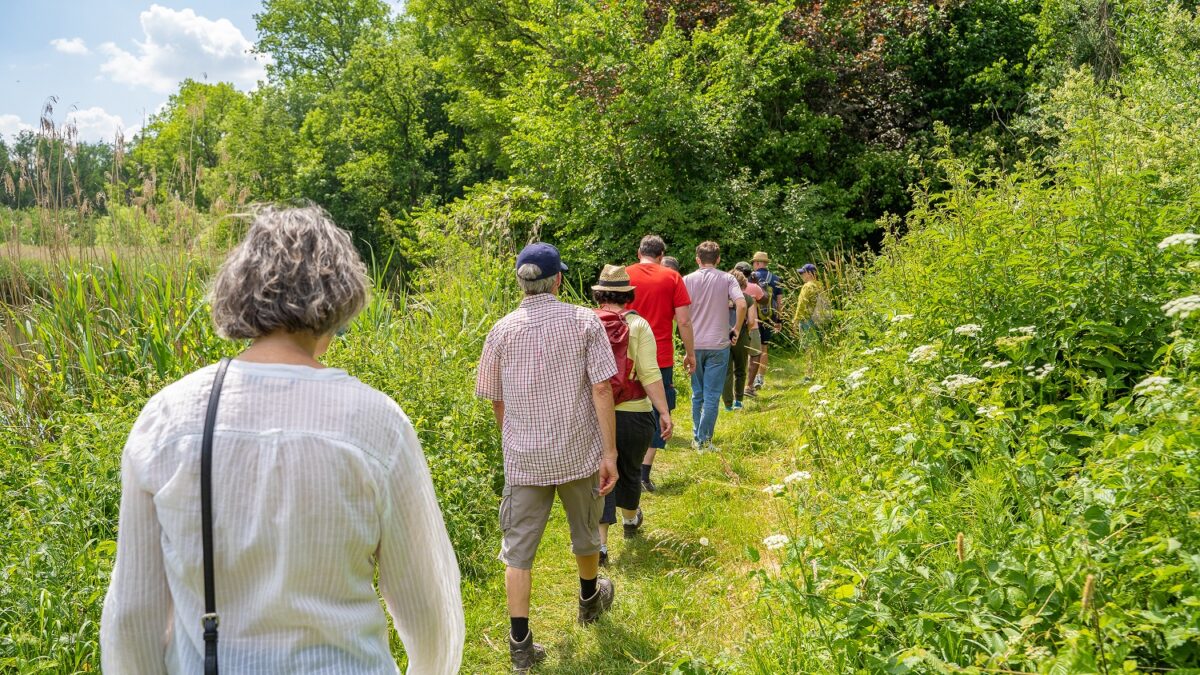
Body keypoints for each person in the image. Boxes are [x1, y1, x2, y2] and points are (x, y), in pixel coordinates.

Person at [100, 206, 465, 674]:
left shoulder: (169, 419)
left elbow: (133, 615)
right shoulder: (378, 424)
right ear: (340, 299)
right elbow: (430, 605)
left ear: (238, 292)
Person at [475, 242, 620, 671]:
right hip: (577, 451)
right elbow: (601, 388)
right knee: (586, 530)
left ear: (521, 282)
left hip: (524, 460)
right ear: (558, 280)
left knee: (517, 552)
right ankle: (589, 600)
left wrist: (516, 439)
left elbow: (496, 400)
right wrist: (609, 452)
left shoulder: (501, 331)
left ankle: (520, 644)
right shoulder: (585, 321)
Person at [591, 264, 675, 565]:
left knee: (601, 475)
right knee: (629, 470)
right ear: (628, 294)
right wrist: (663, 411)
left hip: (596, 414)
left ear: (599, 294)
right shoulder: (638, 325)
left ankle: (601, 546)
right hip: (634, 412)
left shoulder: (587, 322)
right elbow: (649, 373)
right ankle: (630, 519)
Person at [625, 235, 693, 493]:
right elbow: (683, 321)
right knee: (657, 412)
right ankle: (644, 475)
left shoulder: (624, 275)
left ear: (638, 252)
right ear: (661, 255)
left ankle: (624, 469)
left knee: (625, 409)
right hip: (660, 356)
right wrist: (690, 353)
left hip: (626, 355)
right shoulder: (672, 277)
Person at [683, 242, 746, 452]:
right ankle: (704, 440)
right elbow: (742, 304)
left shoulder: (686, 280)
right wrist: (736, 329)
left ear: (697, 259)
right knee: (712, 395)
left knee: (697, 393)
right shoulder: (727, 279)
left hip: (694, 343)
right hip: (719, 344)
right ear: (718, 259)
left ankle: (697, 437)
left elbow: (679, 312)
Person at [747, 251, 783, 395]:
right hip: (768, 318)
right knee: (764, 348)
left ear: (757, 263)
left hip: (752, 319)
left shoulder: (750, 277)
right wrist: (779, 320)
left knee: (752, 350)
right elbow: (779, 302)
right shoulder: (776, 278)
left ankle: (750, 379)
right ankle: (760, 378)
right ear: (765, 263)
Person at [723, 270, 758, 411]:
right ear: (743, 284)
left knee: (726, 371)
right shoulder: (748, 299)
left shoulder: (720, 298)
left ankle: (727, 404)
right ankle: (738, 401)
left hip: (723, 336)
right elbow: (751, 321)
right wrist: (744, 331)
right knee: (740, 369)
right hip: (741, 336)